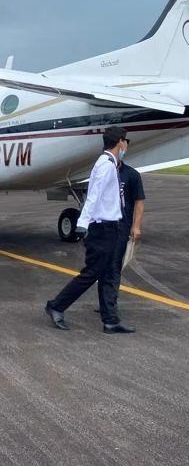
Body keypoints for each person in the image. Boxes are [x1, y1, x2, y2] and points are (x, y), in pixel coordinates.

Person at [45, 126, 134, 333]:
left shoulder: (110, 163)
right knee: (92, 273)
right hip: (101, 229)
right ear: (120, 142)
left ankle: (110, 320)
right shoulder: (105, 165)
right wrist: (82, 224)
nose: (126, 145)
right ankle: (56, 306)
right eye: (126, 141)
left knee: (108, 273)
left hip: (111, 228)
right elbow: (93, 196)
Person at [96, 147, 145, 323]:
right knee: (102, 267)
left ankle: (110, 307)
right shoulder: (103, 170)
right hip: (104, 228)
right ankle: (105, 303)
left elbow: (139, 202)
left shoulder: (132, 175)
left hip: (122, 228)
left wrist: (136, 226)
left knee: (114, 267)